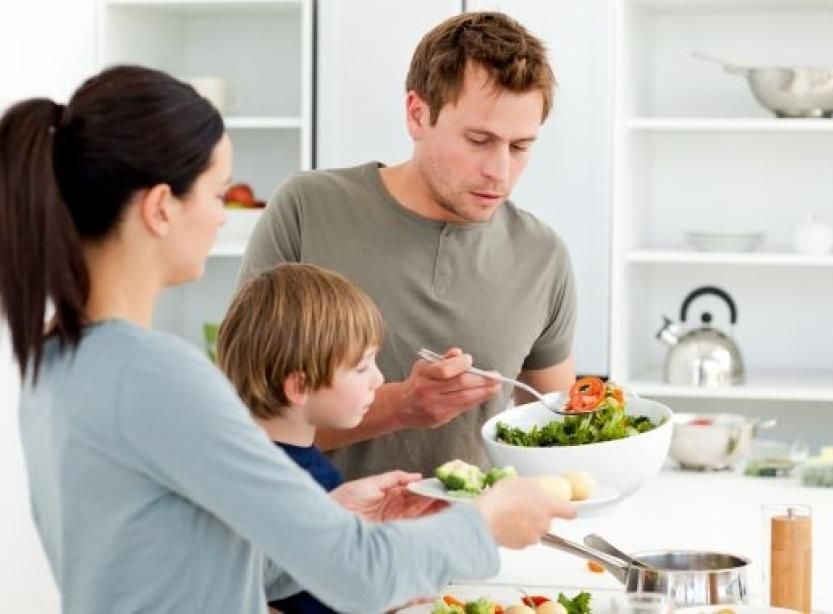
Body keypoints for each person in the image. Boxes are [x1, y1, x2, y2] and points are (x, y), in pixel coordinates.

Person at [0, 64, 574, 613]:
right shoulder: (157, 375)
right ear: (160, 208)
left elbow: (174, 558)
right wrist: (486, 522)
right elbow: (358, 573)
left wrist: (330, 514)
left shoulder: (56, 356)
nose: (223, 217)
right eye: (218, 194)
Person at [240, 11, 578, 480]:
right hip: (311, 540)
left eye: (520, 146)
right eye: (479, 140)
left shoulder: (544, 257)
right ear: (417, 114)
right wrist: (399, 406)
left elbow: (557, 435)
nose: (500, 172)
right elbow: (241, 421)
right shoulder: (307, 209)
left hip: (470, 546)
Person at [217, 262, 449, 614]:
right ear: (300, 386)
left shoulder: (257, 463)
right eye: (362, 367)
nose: (378, 379)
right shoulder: (281, 487)